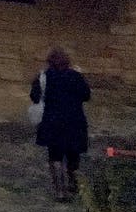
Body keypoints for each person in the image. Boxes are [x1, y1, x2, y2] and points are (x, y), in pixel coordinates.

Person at [31, 47, 91, 202]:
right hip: (74, 120)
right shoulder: (76, 76)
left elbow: (35, 97)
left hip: (52, 120)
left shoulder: (43, 77)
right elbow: (86, 95)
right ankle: (73, 181)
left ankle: (60, 190)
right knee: (73, 153)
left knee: (55, 155)